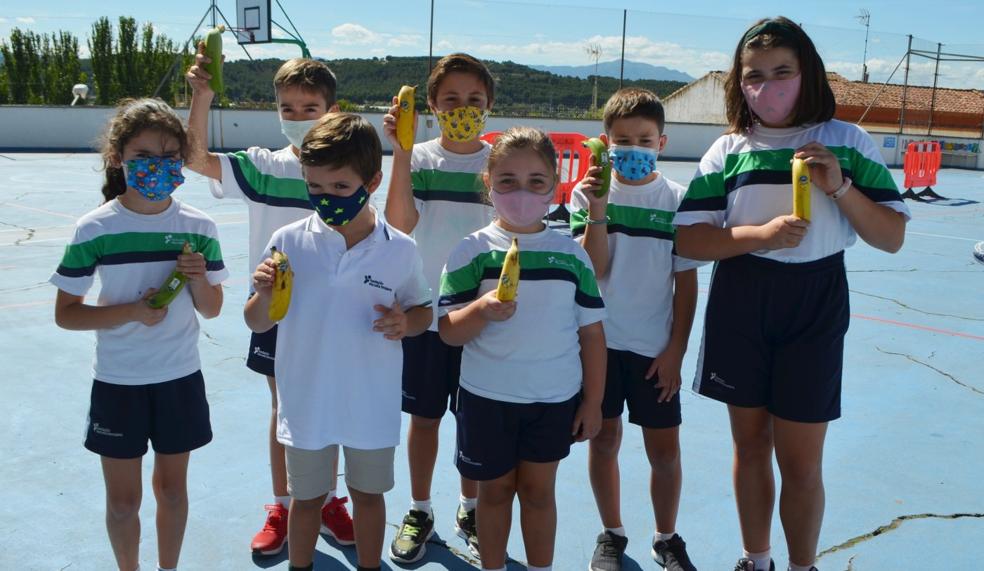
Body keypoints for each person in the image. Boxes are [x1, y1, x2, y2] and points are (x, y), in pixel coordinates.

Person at [673, 17, 910, 571]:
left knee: (801, 462)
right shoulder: (728, 148)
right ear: (739, 83)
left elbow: (891, 236)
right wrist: (759, 236)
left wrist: (840, 186)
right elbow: (689, 238)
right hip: (742, 296)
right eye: (754, 75)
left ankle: (803, 565)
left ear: (809, 74)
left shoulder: (846, 141)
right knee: (750, 446)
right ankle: (756, 560)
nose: (768, 86)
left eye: (782, 71)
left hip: (815, 299)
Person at [244, 113, 432, 571]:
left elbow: (424, 312)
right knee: (306, 500)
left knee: (368, 496)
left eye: (340, 187)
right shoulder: (288, 241)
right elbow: (256, 321)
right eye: (315, 187)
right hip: (306, 404)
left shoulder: (400, 248)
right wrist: (264, 295)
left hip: (371, 403)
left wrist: (404, 323)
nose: (326, 198)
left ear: (373, 182)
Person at [185, 53, 354, 553]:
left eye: (310, 108)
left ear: (332, 110)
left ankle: (326, 502)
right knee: (284, 408)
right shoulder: (263, 166)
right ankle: (283, 504)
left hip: (334, 313)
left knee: (331, 408)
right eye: (288, 108)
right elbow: (194, 158)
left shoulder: (349, 170)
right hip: (275, 312)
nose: (298, 117)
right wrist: (201, 97)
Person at [51, 98, 228, 571]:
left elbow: (212, 309)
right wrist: (132, 312)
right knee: (123, 503)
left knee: (171, 492)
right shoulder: (95, 228)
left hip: (179, 379)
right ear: (118, 158)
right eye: (144, 157)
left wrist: (197, 278)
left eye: (169, 157)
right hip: (118, 382)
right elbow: (67, 314)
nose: (158, 168)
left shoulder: (198, 226)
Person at [438, 126, 606, 571]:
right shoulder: (471, 251)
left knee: (538, 493)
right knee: (493, 494)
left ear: (555, 186)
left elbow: (592, 335)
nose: (522, 193)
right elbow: (449, 331)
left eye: (536, 181)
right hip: (486, 398)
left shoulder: (572, 255)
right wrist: (481, 310)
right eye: (508, 181)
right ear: (488, 183)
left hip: (552, 400)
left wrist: (593, 401)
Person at [569, 88, 702, 571]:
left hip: (654, 352)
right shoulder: (585, 194)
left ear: (661, 143)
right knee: (603, 442)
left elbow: (686, 286)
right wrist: (599, 207)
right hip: (599, 348)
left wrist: (675, 351)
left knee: (664, 452)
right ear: (606, 143)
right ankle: (612, 533)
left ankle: (666, 538)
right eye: (622, 140)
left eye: (644, 140)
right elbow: (594, 269)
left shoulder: (678, 201)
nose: (633, 149)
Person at [381, 52, 497, 562]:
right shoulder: (421, 159)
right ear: (431, 105)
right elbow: (399, 223)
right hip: (426, 317)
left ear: (489, 105)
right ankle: (420, 509)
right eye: (451, 99)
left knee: (474, 422)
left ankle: (470, 509)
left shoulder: (498, 162)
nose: (462, 108)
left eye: (474, 99)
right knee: (424, 420)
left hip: (480, 320)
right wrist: (401, 152)